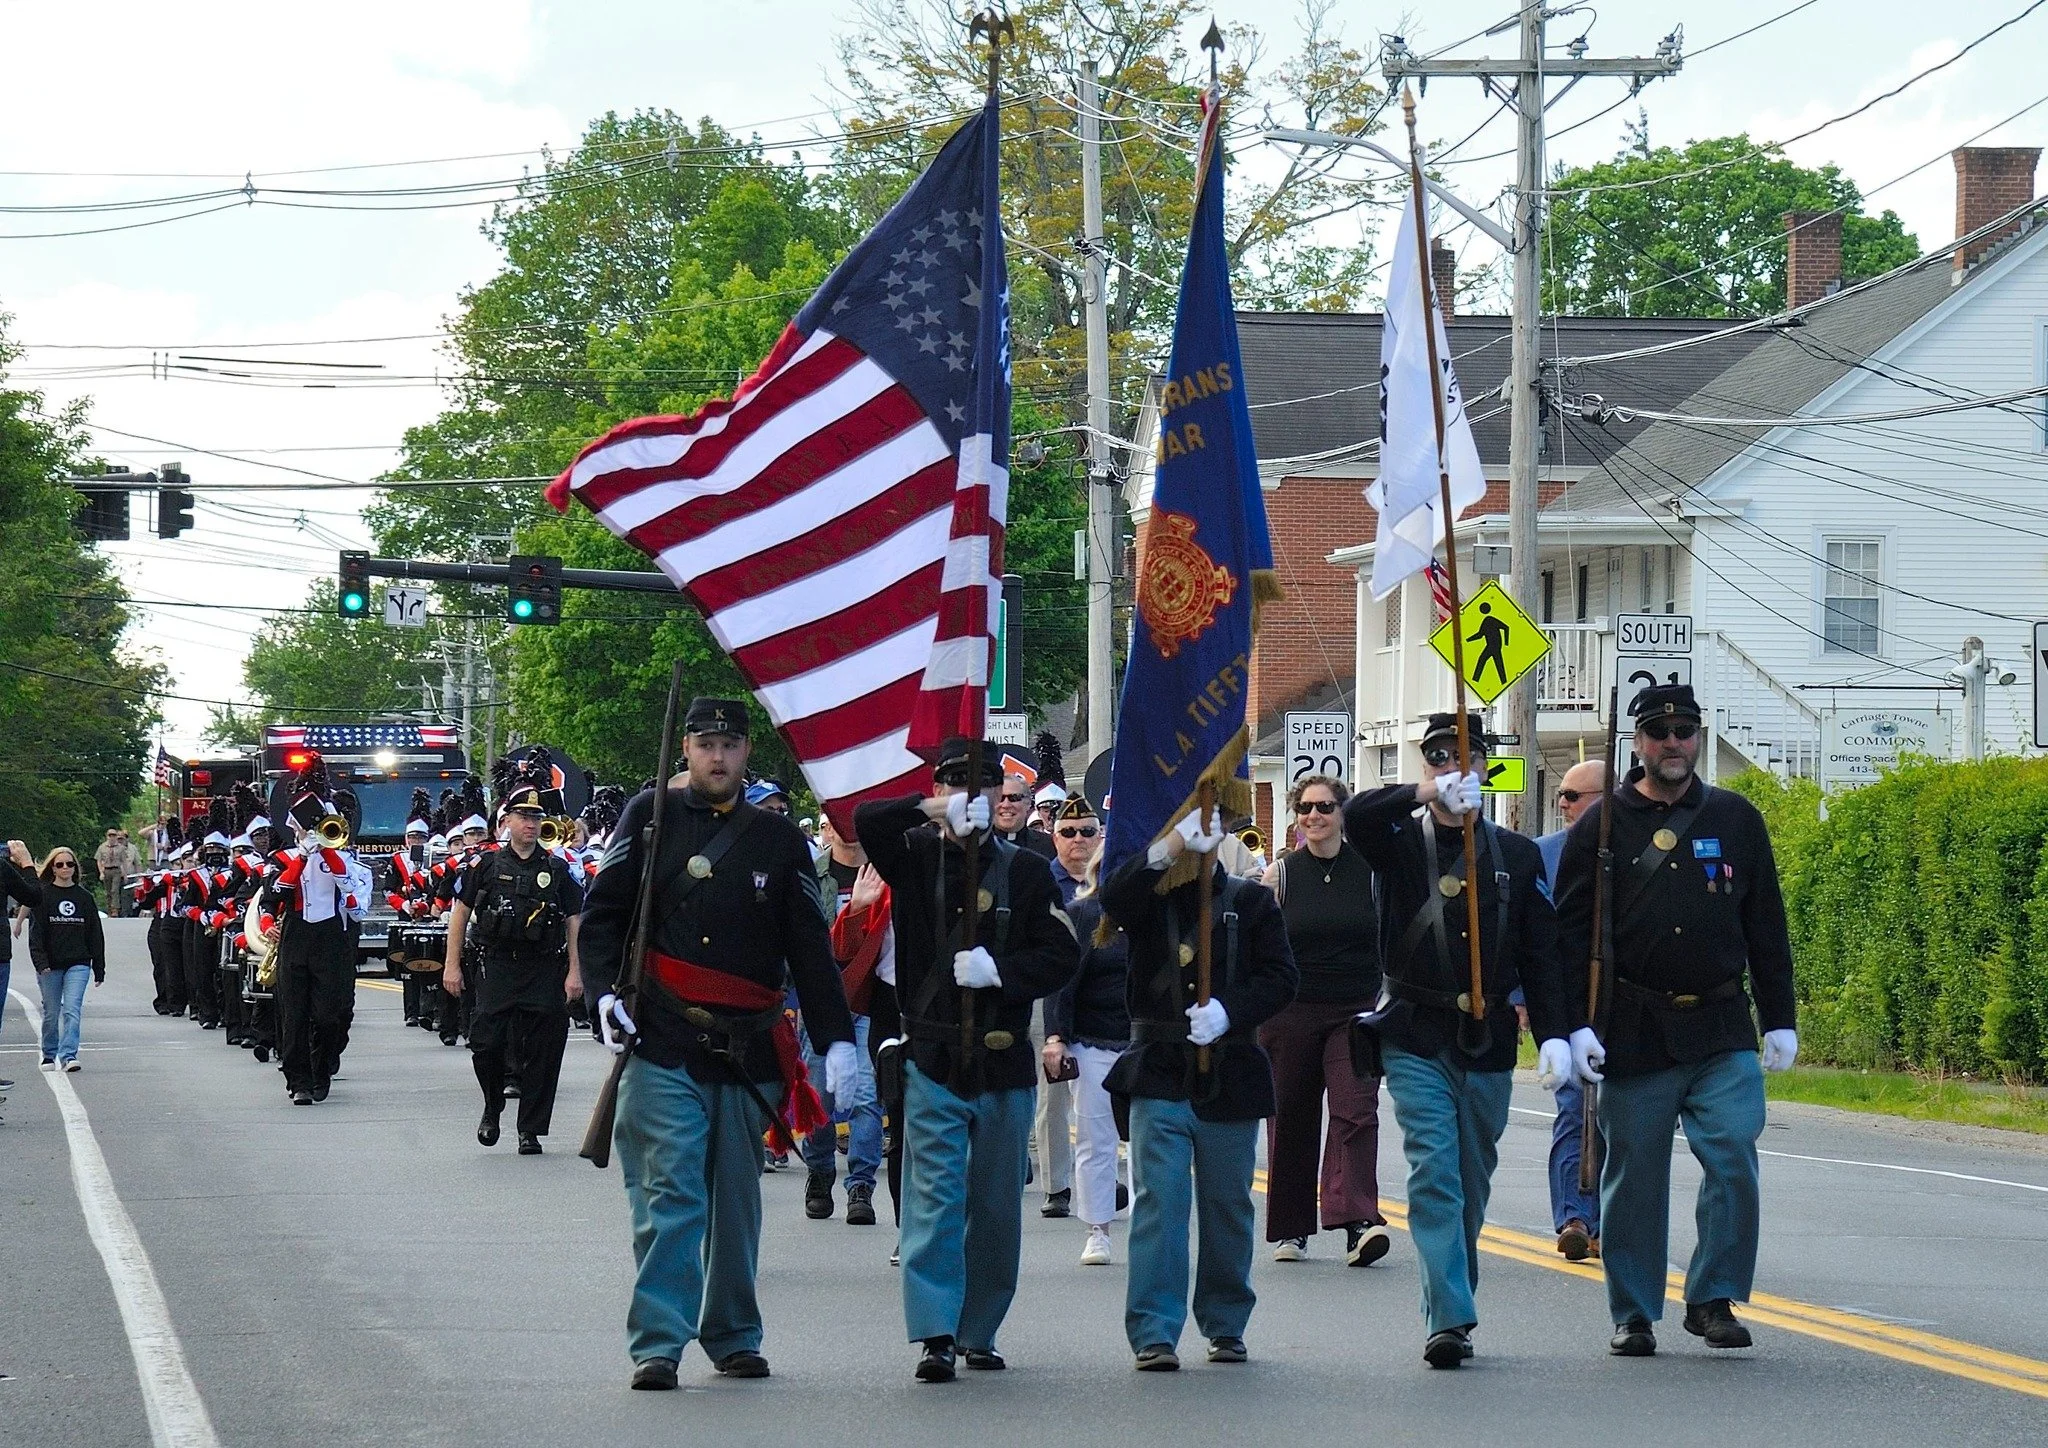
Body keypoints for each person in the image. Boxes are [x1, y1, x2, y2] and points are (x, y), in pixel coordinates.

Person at [581, 697, 857, 1390]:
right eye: (705, 743)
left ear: (745, 754)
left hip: (747, 1048)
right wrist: (603, 996)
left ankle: (733, 1334)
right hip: (663, 1038)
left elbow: (808, 947)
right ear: (687, 749)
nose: (716, 756)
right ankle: (659, 1343)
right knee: (669, 1194)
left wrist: (835, 1039)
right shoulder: (648, 818)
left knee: (735, 1202)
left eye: (729, 745)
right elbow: (605, 913)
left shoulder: (778, 840)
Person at [1553, 684, 1797, 1359]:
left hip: (1721, 1024)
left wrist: (1780, 1019)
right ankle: (1633, 1311)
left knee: (1733, 1155)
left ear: (1697, 738)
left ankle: (1713, 1297)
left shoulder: (1737, 818)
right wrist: (1573, 1027)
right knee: (1633, 1177)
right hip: (1634, 1026)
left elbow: (1766, 926)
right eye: (1659, 731)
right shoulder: (1599, 828)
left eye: (1684, 731)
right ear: (1637, 743)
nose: (1673, 743)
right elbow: (1570, 937)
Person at [1343, 712, 1580, 1369]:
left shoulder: (1516, 853)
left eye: (1466, 759)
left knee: (1472, 1181)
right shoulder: (1395, 842)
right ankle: (1447, 1318)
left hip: (1490, 1038)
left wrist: (1556, 1035)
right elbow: (1357, 814)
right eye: (1440, 759)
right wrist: (1422, 795)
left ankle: (1455, 1291)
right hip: (1416, 1033)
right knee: (1435, 1176)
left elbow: (1543, 954)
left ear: (1485, 767)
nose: (1455, 769)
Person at [854, 737, 1078, 1383]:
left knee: (996, 1205)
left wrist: (1001, 972)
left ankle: (980, 1330)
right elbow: (869, 820)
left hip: (1002, 1063)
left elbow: (1060, 956)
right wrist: (933, 810)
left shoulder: (1028, 871)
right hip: (934, 1059)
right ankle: (937, 1333)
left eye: (979, 786)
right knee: (934, 1201)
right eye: (955, 783)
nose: (969, 795)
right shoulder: (919, 857)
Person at [1100, 803, 1297, 1371]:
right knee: (1160, 1204)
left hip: (1230, 1071)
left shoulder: (1253, 902)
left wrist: (1231, 1011)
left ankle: (1225, 1321)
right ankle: (1155, 1331)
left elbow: (1282, 978)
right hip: (1160, 1068)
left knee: (1227, 1204)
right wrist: (1167, 849)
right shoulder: (1149, 898)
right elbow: (1111, 900)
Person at [1258, 774, 1390, 1267]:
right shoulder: (1281, 875)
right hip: (1290, 1011)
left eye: (1325, 807)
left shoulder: (1373, 872)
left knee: (1356, 1110)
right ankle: (1291, 1229)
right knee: (1290, 1116)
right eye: (1306, 808)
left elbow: (1392, 938)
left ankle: (1357, 1221)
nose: (1314, 816)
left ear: (1343, 814)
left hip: (1355, 1011)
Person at [443, 769, 582, 1154]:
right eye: (523, 817)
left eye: (537, 818)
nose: (531, 824)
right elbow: (460, 913)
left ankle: (530, 1129)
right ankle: (492, 1105)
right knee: (486, 1043)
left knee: (544, 1047)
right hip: (496, 964)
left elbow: (574, 919)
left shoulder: (557, 869)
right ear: (506, 821)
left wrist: (575, 971)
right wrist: (451, 965)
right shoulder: (484, 865)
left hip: (543, 966)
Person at [1041, 802, 1130, 1267]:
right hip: (1094, 1039)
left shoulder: (1156, 915)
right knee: (1097, 1137)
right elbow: (1062, 981)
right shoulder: (1083, 913)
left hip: (1148, 1040)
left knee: (1156, 1139)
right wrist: (1055, 1037)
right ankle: (1098, 1229)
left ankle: (1156, 1222)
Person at [1528, 759, 1608, 1261]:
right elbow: (1528, 936)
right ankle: (1575, 1218)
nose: (1563, 803)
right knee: (1574, 1109)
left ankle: (1612, 1220)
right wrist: (1525, 1001)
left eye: (1575, 796)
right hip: (1565, 1005)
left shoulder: (1632, 845)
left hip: (1626, 1005)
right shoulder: (1543, 855)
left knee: (1621, 1119)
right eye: (1561, 794)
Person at [263, 755, 360, 1106]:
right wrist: (303, 856)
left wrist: (327, 851)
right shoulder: (281, 859)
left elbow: (351, 892)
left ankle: (322, 1071)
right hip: (296, 935)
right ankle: (299, 1080)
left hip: (330, 937)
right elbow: (276, 894)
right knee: (295, 1013)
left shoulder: (343, 858)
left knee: (329, 1014)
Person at [802, 814, 883, 1227]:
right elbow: (800, 939)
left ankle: (861, 1185)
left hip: (871, 1000)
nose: (846, 828)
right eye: (836, 821)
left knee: (867, 1094)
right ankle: (819, 1170)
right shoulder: (809, 874)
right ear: (826, 829)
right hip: (821, 999)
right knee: (820, 1095)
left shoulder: (888, 869)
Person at [1031, 794, 1096, 1220]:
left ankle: (1099, 1172)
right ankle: (1057, 1185)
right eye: (1068, 832)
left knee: (1100, 1091)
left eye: (1087, 832)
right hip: (1050, 991)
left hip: (1101, 993)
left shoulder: (1110, 882)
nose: (1078, 840)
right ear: (1054, 838)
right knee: (1052, 1094)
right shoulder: (1038, 880)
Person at [5, 842, 107, 1071]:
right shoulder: (43, 896)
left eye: (69, 864)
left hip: (78, 963)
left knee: (72, 1008)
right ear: (52, 868)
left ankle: (69, 1054)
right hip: (50, 965)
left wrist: (98, 968)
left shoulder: (84, 897)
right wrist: (41, 963)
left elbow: (95, 934)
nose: (65, 868)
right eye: (59, 864)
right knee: (51, 1012)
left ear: (75, 868)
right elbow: (37, 934)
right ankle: (49, 1053)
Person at [991, 776, 1056, 859]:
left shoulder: (1050, 845)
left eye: (1014, 798)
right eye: (999, 797)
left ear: (1028, 802)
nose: (1006, 805)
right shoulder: (976, 844)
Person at [96, 828, 127, 919]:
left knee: (114, 890)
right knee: (108, 891)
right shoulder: (102, 847)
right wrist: (101, 872)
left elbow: (123, 861)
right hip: (106, 870)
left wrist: (124, 874)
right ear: (107, 836)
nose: (112, 838)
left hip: (116, 870)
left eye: (114, 835)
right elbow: (99, 860)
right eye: (110, 835)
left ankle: (115, 909)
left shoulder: (121, 848)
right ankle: (109, 909)